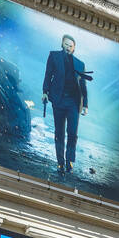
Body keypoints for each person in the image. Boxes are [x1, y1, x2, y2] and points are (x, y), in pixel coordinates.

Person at [41, 34, 90, 174]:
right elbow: (48, 74)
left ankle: (69, 160)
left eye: (71, 46)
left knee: (73, 132)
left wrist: (85, 104)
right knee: (59, 132)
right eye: (66, 44)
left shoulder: (80, 64)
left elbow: (83, 85)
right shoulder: (54, 56)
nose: (68, 47)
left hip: (74, 102)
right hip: (58, 99)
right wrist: (45, 91)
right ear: (62, 44)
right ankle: (60, 162)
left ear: (74, 48)